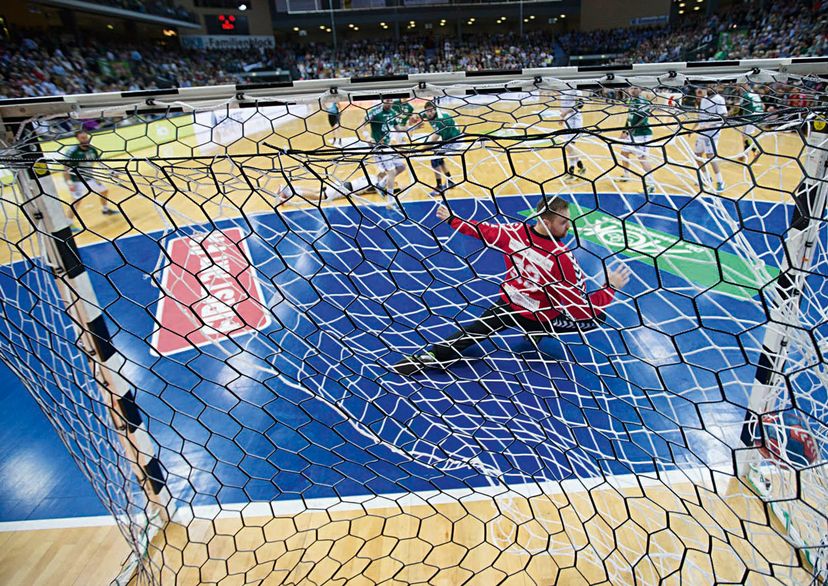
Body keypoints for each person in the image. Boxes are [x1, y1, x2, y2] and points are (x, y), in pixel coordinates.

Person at [393, 196, 631, 374]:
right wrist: (610, 287)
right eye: (562, 223)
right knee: (597, 318)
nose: (569, 227)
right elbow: (581, 309)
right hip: (538, 315)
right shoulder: (562, 257)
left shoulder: (514, 232)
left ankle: (430, 357)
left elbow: (483, 231)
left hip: (508, 304)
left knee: (472, 332)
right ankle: (541, 329)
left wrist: (454, 220)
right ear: (546, 222)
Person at [63, 130, 119, 232]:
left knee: (104, 190)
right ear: (78, 139)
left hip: (90, 178)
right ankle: (68, 223)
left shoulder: (92, 150)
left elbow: (99, 162)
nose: (85, 139)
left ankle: (105, 210)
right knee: (76, 201)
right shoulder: (72, 152)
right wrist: (69, 182)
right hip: (77, 180)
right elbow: (65, 168)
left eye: (86, 137)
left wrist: (110, 171)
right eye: (83, 138)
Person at [364, 98, 407, 201]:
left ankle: (381, 184)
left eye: (390, 100)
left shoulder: (392, 112)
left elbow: (399, 129)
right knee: (391, 172)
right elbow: (362, 125)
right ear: (383, 101)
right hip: (378, 147)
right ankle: (391, 200)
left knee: (401, 167)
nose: (389, 102)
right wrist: (367, 137)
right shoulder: (375, 112)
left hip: (387, 146)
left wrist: (413, 126)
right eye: (387, 100)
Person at [418, 100, 461, 196]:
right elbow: (418, 116)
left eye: (432, 111)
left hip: (455, 140)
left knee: (435, 159)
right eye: (428, 111)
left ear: (435, 110)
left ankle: (439, 187)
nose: (430, 113)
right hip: (448, 139)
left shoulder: (440, 121)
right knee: (439, 159)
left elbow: (433, 141)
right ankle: (450, 181)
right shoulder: (428, 114)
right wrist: (414, 121)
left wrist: (420, 150)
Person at [619, 86, 655, 193]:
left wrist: (629, 131)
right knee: (624, 153)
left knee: (643, 159)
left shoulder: (642, 102)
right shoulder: (631, 100)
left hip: (642, 134)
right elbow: (629, 117)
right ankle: (626, 175)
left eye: (636, 88)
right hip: (631, 133)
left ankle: (651, 184)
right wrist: (624, 131)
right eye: (631, 88)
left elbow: (642, 119)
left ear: (640, 89)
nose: (633, 90)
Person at [694, 86, 728, 192]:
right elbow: (701, 116)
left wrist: (710, 124)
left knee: (710, 157)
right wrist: (694, 127)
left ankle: (720, 181)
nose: (712, 87)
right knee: (697, 156)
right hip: (702, 132)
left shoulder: (719, 99)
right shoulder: (704, 99)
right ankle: (706, 177)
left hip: (713, 133)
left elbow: (724, 116)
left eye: (714, 86)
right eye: (710, 86)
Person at [560, 88, 587, 180]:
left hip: (574, 120)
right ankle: (580, 167)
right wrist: (563, 117)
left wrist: (565, 114)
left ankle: (571, 172)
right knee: (568, 147)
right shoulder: (562, 88)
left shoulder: (575, 88)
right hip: (567, 120)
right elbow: (564, 105)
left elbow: (580, 104)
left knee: (569, 146)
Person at [736, 83, 764, 162]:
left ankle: (756, 151)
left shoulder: (745, 95)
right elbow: (763, 106)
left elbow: (739, 107)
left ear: (745, 85)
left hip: (750, 117)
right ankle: (745, 154)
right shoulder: (755, 94)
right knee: (745, 135)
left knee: (746, 136)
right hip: (758, 116)